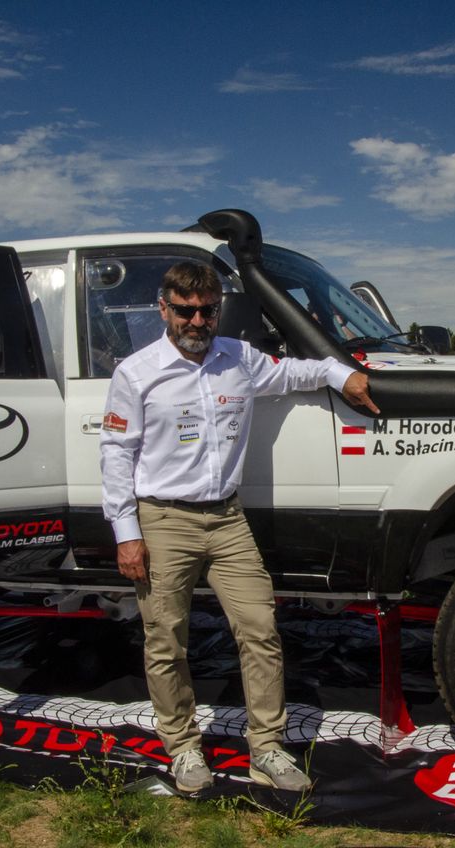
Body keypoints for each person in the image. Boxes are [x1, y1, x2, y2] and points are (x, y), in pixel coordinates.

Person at [100, 261, 379, 794]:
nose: (197, 320)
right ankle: (183, 749)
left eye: (207, 310)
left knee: (261, 632)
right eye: (185, 310)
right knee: (166, 642)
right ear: (164, 309)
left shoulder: (241, 359)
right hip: (162, 520)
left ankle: (267, 749)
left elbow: (302, 372)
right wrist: (126, 533)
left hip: (228, 520)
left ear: (218, 310)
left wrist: (345, 374)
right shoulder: (136, 373)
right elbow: (116, 454)